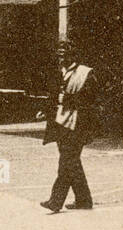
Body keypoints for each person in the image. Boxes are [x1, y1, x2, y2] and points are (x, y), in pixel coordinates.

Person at [40, 40, 96, 212]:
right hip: (60, 123)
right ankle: (84, 200)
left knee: (66, 162)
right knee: (72, 163)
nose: (61, 57)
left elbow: (90, 100)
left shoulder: (85, 73)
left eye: (64, 54)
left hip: (78, 124)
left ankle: (55, 202)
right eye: (59, 54)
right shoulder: (58, 72)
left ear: (73, 54)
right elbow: (53, 96)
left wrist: (67, 100)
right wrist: (45, 110)